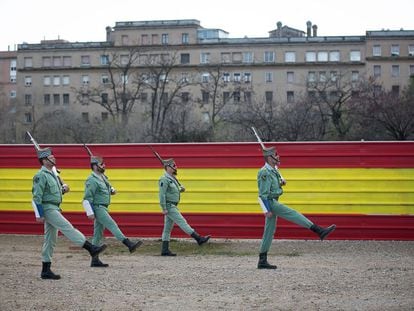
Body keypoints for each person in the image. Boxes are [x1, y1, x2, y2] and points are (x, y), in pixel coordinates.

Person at [31, 147, 107, 280]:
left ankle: (45, 270)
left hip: (55, 206)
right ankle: (90, 248)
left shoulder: (53, 174)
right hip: (48, 208)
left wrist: (62, 189)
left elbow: (52, 192)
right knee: (67, 227)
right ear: (44, 160)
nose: (54, 158)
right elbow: (37, 196)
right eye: (50, 157)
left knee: (50, 240)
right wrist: (39, 214)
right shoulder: (40, 175)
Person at [257, 146, 336, 269]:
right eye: (275, 155)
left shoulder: (273, 170)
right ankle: (318, 230)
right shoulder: (264, 172)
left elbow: (274, 186)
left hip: (274, 200)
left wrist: (281, 182)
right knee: (292, 213)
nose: (278, 157)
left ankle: (262, 260)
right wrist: (266, 210)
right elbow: (262, 194)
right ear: (269, 157)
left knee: (269, 232)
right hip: (271, 202)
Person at [82, 155, 143, 267]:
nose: (104, 165)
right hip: (98, 207)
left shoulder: (102, 177)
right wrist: (89, 212)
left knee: (97, 234)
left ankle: (94, 260)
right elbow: (87, 197)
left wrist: (111, 190)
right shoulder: (92, 180)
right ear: (95, 166)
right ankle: (129, 244)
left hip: (103, 206)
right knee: (112, 225)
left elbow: (106, 188)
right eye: (101, 164)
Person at [158, 158, 210, 256]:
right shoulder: (164, 179)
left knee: (167, 229)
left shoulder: (172, 178)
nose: (175, 167)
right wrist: (164, 207)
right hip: (169, 206)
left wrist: (180, 189)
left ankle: (165, 250)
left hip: (172, 205)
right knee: (183, 223)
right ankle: (199, 239)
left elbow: (173, 190)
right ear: (167, 167)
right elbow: (162, 194)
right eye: (173, 165)